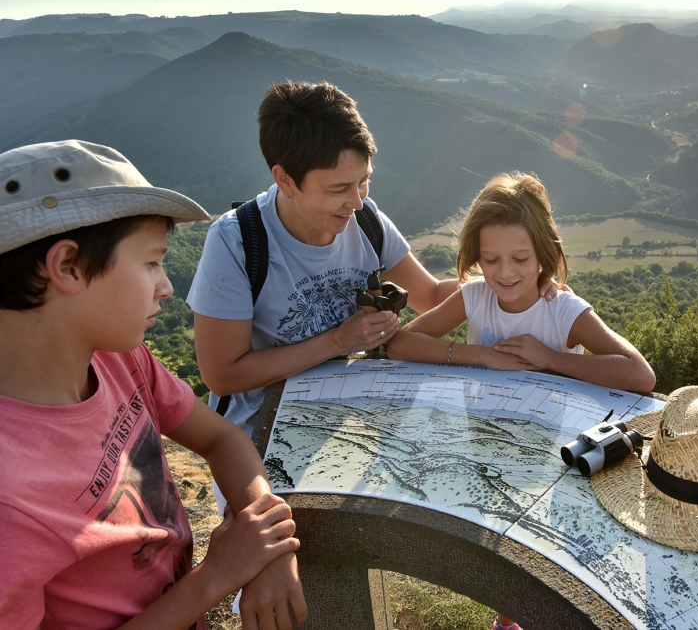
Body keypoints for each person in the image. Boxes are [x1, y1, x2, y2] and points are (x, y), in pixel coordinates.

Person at [0, 140, 306, 630]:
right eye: (150, 263)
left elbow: (221, 435)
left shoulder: (118, 358)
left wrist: (265, 543)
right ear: (68, 267)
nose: (165, 286)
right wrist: (216, 576)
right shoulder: (9, 494)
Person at [187, 81, 558, 445]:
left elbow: (430, 295)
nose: (357, 201)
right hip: (260, 436)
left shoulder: (366, 222)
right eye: (338, 190)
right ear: (284, 179)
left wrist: (518, 282)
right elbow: (223, 375)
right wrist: (338, 341)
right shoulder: (237, 242)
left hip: (351, 418)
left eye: (363, 181)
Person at [386, 172, 655, 630]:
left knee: (549, 543)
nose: (504, 273)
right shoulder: (474, 297)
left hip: (557, 450)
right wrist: (483, 356)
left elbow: (639, 374)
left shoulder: (563, 309)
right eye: (489, 259)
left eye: (520, 258)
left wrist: (549, 358)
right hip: (486, 440)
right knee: (502, 537)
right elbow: (401, 344)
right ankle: (507, 618)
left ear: (544, 256)